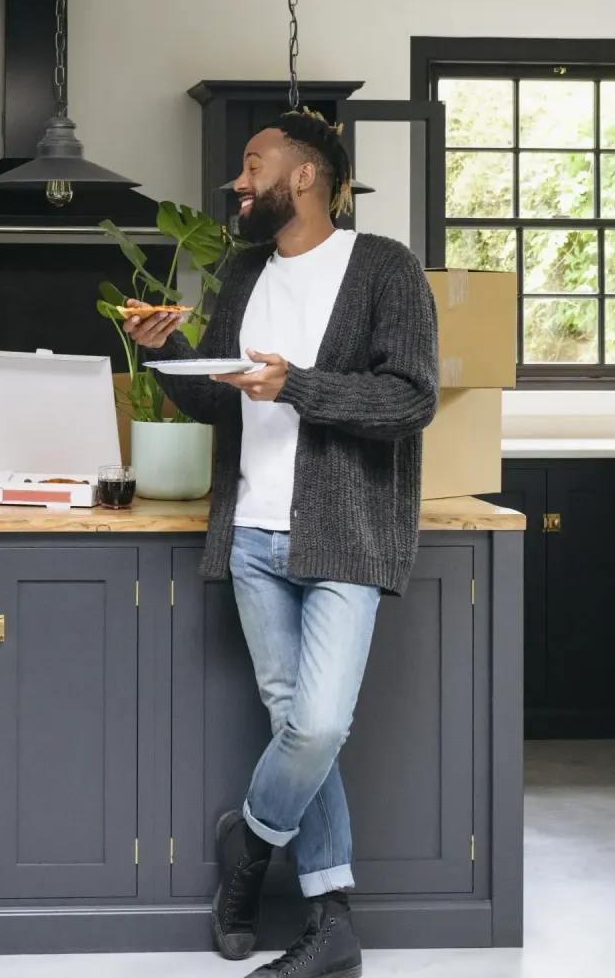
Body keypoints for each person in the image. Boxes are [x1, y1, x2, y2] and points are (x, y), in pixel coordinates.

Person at [126, 110, 439, 978]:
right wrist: (174, 350)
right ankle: (332, 923)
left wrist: (296, 384)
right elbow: (221, 397)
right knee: (295, 722)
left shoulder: (385, 268)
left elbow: (411, 401)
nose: (237, 183)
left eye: (251, 166)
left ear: (303, 177)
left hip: (344, 535)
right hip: (254, 530)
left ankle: (250, 847)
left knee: (319, 723)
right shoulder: (241, 272)